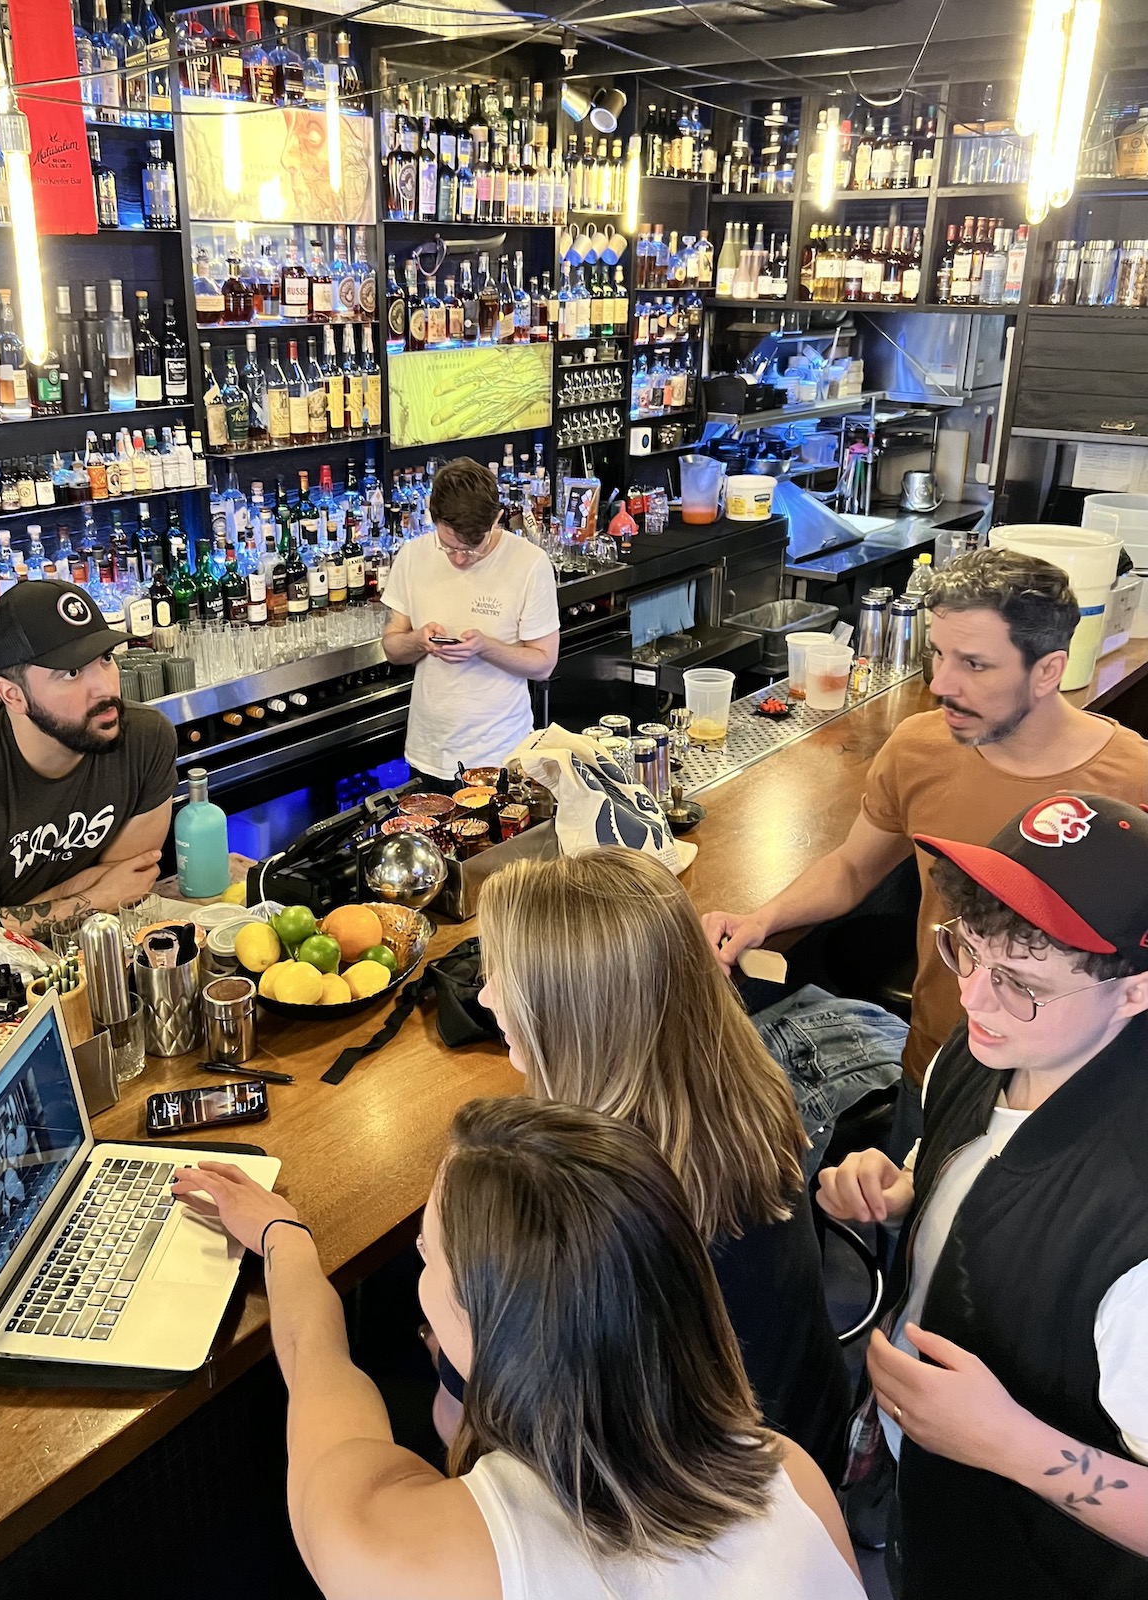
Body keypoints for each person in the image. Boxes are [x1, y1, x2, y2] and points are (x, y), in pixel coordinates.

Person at [172, 1096, 864, 1599]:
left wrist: (283, 1237)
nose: (419, 1262)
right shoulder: (793, 1478)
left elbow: (317, 1364)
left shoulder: (401, 1552)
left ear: (488, 1324)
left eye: (428, 1255)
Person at [701, 547, 1148, 1150]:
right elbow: (853, 867)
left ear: (1047, 671)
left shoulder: (1133, 787)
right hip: (934, 1059)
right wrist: (762, 919)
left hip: (1074, 1098)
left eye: (974, 664)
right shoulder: (920, 748)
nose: (941, 685)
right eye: (938, 653)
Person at [817, 792, 1148, 1599]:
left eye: (1021, 981)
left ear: (1135, 991)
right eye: (966, 948)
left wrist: (1008, 1444)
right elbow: (974, 1152)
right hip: (928, 1482)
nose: (971, 998)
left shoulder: (1135, 1230)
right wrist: (908, 1186)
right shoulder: (981, 1051)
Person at [472, 847, 854, 1484]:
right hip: (808, 1435)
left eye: (502, 979)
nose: (485, 997)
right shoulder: (743, 1090)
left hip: (712, 1494)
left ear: (576, 1018)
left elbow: (516, 1407)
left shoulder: (595, 1204)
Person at [0, 579, 175, 940]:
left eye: (105, 659)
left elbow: (130, 885)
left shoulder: (145, 738)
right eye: (71, 673)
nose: (105, 688)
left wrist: (6, 915)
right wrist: (94, 899)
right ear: (13, 695)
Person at [382, 456, 559, 787]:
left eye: (472, 548)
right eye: (449, 547)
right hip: (428, 754)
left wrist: (485, 647)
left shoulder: (530, 564)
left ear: (496, 519)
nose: (461, 559)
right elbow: (392, 648)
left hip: (501, 756)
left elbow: (544, 664)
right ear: (433, 516)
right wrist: (418, 641)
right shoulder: (412, 556)